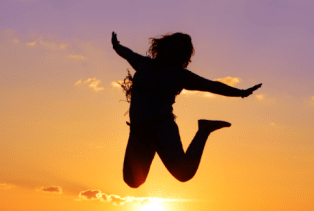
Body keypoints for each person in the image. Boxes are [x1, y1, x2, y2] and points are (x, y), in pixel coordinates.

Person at [112, 31, 262, 188]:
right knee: (133, 181)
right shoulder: (143, 64)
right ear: (164, 46)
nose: (174, 49)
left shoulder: (179, 75)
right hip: (138, 131)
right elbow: (126, 53)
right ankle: (156, 146)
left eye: (179, 49)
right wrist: (116, 45)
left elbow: (211, 85)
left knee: (183, 173)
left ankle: (204, 130)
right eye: (173, 45)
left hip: (162, 129)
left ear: (181, 56)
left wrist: (240, 93)